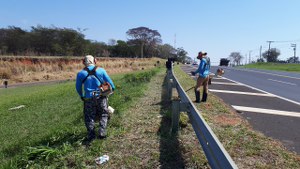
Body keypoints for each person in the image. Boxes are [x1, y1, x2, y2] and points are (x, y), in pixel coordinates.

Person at [76, 55, 115, 141]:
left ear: (83, 62)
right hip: (101, 97)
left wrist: (82, 96)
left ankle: (91, 136)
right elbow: (110, 82)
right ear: (95, 61)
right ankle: (102, 132)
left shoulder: (80, 73)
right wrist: (112, 89)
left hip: (88, 99)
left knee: (89, 117)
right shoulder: (101, 70)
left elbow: (78, 88)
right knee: (104, 114)